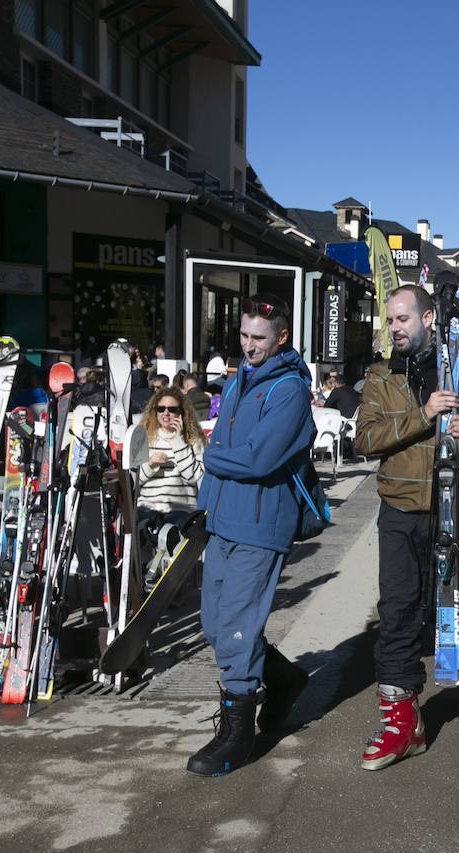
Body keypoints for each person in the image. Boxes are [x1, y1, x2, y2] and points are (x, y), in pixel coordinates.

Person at [353, 284, 459, 771]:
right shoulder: (381, 376)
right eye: (390, 321)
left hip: (455, 508)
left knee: (453, 606)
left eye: (403, 319)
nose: (395, 328)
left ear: (427, 318)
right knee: (398, 609)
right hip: (400, 510)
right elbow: (365, 439)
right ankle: (403, 722)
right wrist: (423, 416)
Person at [186, 293, 317, 777]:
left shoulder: (287, 390)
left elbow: (259, 459)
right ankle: (284, 680)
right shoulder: (241, 378)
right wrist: (204, 505)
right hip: (223, 519)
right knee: (216, 625)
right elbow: (227, 443)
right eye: (243, 335)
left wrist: (208, 456)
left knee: (238, 626)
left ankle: (237, 734)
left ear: (281, 336)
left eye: (258, 337)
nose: (248, 344)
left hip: (262, 525)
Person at [136, 386, 205, 528]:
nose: (166, 413)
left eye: (172, 409)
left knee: (170, 529)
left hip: (180, 508)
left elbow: (194, 477)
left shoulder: (194, 439)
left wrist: (178, 441)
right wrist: (150, 465)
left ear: (181, 412)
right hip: (148, 505)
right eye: (161, 409)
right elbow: (135, 481)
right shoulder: (146, 437)